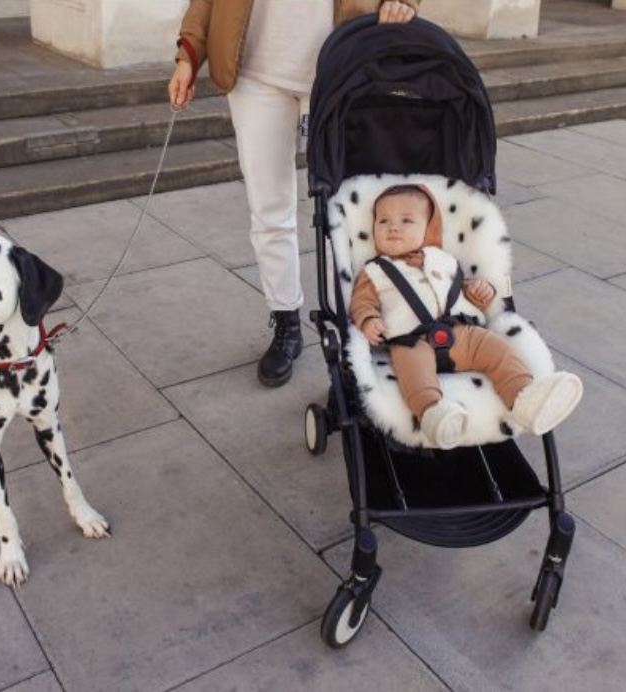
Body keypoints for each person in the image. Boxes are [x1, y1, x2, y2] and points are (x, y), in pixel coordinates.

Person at [168, 0, 421, 387]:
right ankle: (286, 321)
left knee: (354, 212)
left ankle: (366, 317)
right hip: (255, 71)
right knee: (269, 209)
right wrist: (188, 53)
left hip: (343, 66)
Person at [349, 185, 583, 449]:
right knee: (413, 374)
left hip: (463, 333)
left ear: (429, 228)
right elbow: (362, 302)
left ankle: (524, 399)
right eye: (383, 221)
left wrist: (481, 292)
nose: (393, 228)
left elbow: (464, 291)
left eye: (406, 221)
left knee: (498, 350)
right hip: (411, 341)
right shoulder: (375, 271)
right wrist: (369, 320)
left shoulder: (444, 260)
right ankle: (434, 414)